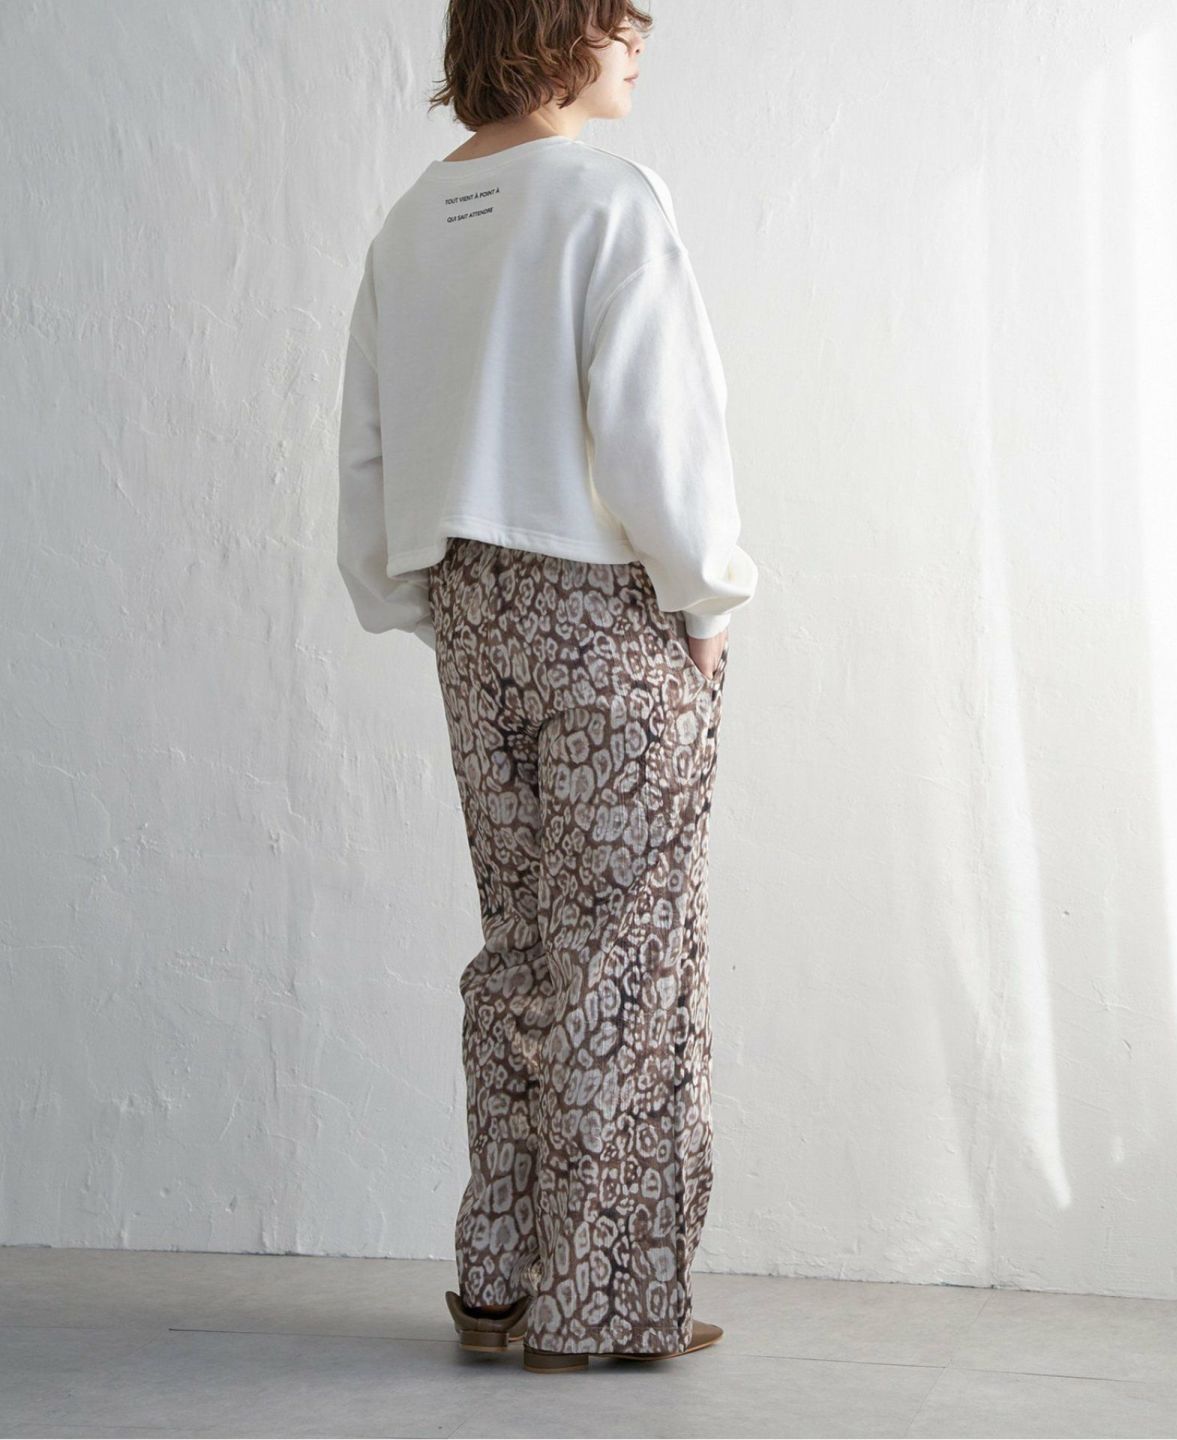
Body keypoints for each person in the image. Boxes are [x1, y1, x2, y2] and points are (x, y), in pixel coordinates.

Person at [336, 0, 757, 1375]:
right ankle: (598, 1306)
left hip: (471, 613)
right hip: (602, 609)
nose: (642, 39)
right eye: (623, 17)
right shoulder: (606, 198)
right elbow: (659, 424)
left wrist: (417, 598)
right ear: (559, 27)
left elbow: (369, 448)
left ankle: (503, 1279)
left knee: (521, 944)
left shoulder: (411, 224)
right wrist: (705, 594)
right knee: (624, 957)